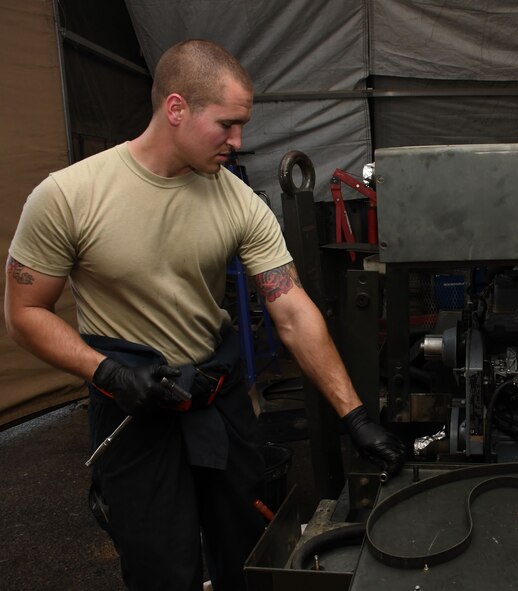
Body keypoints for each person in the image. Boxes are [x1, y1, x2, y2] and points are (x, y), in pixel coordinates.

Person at [4, 39, 405, 590]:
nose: (239, 141)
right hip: (132, 408)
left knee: (250, 548)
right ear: (176, 109)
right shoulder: (70, 196)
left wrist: (354, 415)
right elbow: (25, 312)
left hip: (216, 399)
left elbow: (290, 309)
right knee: (161, 567)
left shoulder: (237, 201)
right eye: (227, 124)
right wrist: (108, 372)